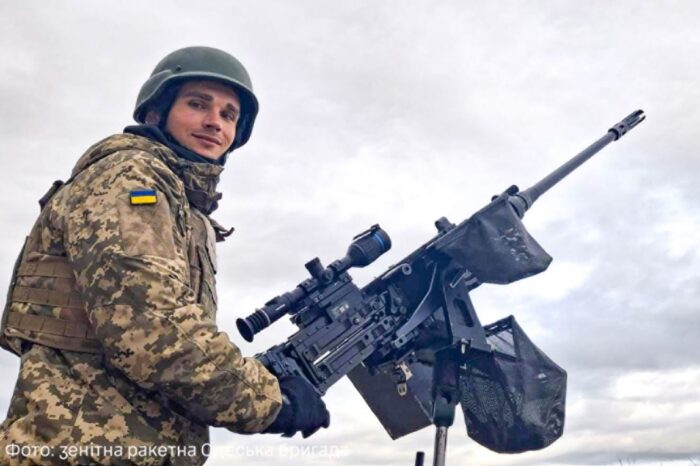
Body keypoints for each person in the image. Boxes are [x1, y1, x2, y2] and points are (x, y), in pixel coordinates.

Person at [0, 46, 329, 466]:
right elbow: (153, 326)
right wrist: (269, 400)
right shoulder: (131, 177)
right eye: (198, 104)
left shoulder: (181, 203)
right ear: (156, 112)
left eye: (229, 114)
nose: (215, 122)